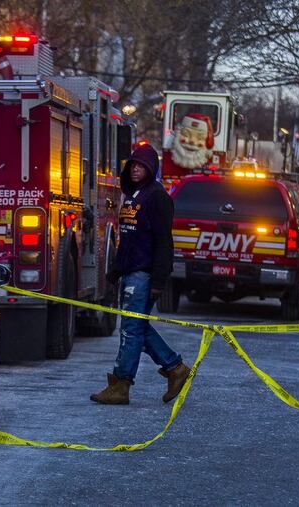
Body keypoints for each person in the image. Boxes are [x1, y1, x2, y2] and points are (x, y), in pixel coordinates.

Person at [91, 144, 190, 405]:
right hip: (130, 272)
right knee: (136, 327)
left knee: (132, 329)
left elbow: (163, 243)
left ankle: (121, 384)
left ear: (151, 169)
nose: (136, 169)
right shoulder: (133, 195)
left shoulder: (157, 197)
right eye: (133, 165)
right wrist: (114, 273)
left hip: (144, 275)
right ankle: (175, 369)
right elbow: (128, 241)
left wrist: (158, 282)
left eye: (141, 165)